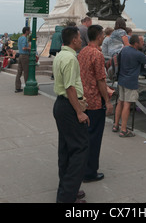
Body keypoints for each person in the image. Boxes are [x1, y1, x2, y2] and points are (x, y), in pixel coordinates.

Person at [52, 27, 89, 203]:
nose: (81, 40)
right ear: (74, 40)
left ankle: (67, 190)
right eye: (80, 38)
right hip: (69, 106)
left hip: (61, 105)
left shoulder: (60, 55)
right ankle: (67, 196)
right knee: (79, 150)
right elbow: (70, 87)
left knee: (66, 149)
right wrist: (80, 112)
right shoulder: (71, 58)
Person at [78, 25, 113, 182]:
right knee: (94, 138)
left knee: (84, 137)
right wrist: (107, 100)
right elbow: (100, 80)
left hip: (83, 100)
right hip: (95, 101)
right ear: (99, 36)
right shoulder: (97, 55)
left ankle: (82, 167)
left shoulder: (83, 52)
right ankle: (90, 171)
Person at [113, 35, 146, 137]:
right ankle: (123, 129)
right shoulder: (138, 54)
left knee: (120, 102)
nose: (143, 44)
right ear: (136, 44)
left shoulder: (124, 50)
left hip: (121, 79)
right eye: (141, 42)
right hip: (130, 82)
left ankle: (116, 125)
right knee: (127, 105)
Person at [15, 27, 30, 93]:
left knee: (19, 72)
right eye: (29, 30)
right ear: (26, 31)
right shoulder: (24, 38)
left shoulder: (19, 38)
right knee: (26, 71)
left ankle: (17, 87)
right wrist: (29, 48)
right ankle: (27, 86)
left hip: (20, 55)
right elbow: (24, 48)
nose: (30, 32)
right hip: (25, 56)